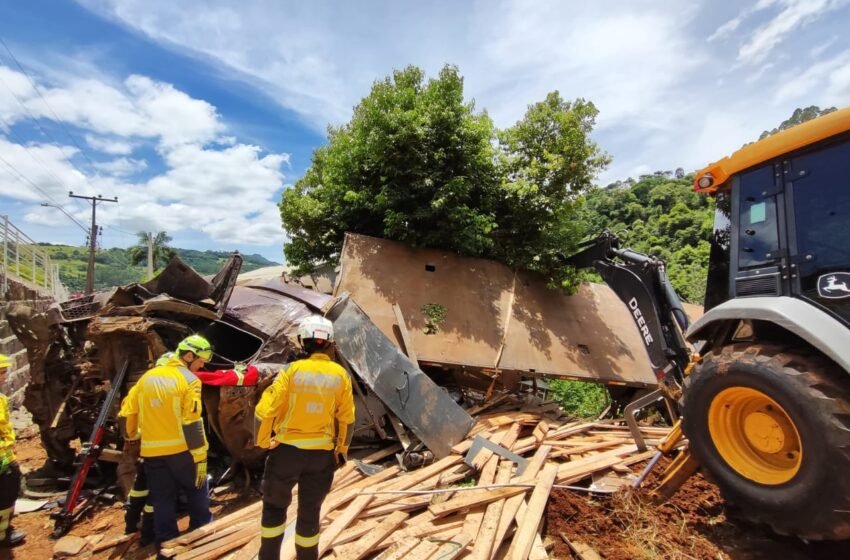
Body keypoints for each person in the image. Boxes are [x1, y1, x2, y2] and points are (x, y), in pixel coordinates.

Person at [254, 316, 355, 560]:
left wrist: (263, 441)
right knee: (310, 511)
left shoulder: (291, 371)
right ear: (329, 342)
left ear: (303, 341)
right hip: (321, 456)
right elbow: (347, 418)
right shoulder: (340, 375)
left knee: (275, 508)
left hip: (286, 452)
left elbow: (265, 410)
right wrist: (341, 448)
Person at [119, 335, 213, 558]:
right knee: (197, 490)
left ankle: (166, 549)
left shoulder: (146, 379)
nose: (203, 365)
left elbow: (126, 413)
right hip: (183, 452)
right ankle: (202, 536)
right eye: (201, 360)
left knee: (162, 501)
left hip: (152, 454)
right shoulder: (189, 380)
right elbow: (192, 421)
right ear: (189, 356)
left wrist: (132, 436)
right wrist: (200, 456)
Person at [0, 354, 24, 547]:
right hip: (2, 459)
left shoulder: (1, 398)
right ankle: (3, 534)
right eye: (1, 372)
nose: (4, 376)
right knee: (7, 494)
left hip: (5, 454)